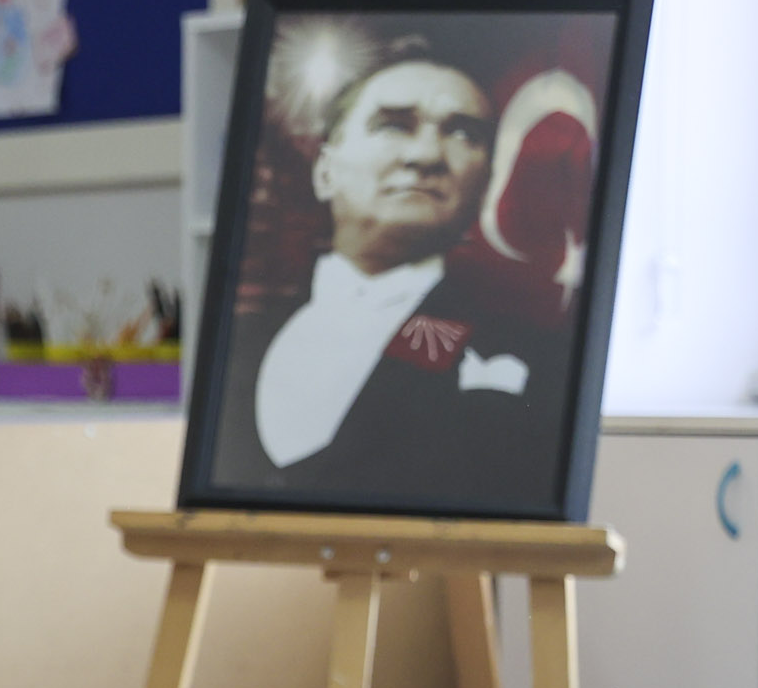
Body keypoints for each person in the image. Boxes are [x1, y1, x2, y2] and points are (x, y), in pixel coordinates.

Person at [216, 41, 576, 510]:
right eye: (392, 125)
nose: (426, 155)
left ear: (484, 184)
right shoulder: (237, 344)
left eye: (462, 134)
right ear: (324, 172)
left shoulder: (520, 352)